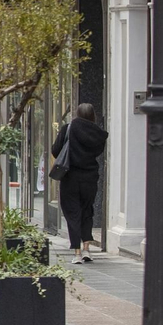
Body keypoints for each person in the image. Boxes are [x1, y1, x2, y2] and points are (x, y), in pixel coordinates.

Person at [53, 103, 108, 264]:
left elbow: (56, 150)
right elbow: (98, 152)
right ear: (93, 116)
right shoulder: (98, 134)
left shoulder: (69, 128)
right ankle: (86, 249)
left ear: (77, 113)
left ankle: (76, 252)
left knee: (72, 213)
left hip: (70, 176)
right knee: (86, 211)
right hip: (90, 177)